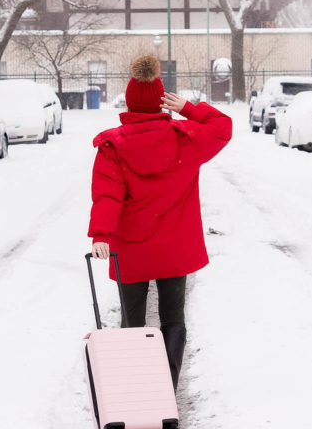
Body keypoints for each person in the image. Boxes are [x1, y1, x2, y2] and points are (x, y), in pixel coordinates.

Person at [88, 54, 232, 389]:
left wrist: (101, 235)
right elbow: (222, 127)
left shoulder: (113, 147)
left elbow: (107, 195)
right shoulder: (185, 138)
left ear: (128, 101)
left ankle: (137, 389)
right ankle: (165, 386)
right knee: (172, 317)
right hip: (174, 247)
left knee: (132, 321)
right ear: (160, 101)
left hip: (131, 250)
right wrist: (189, 108)